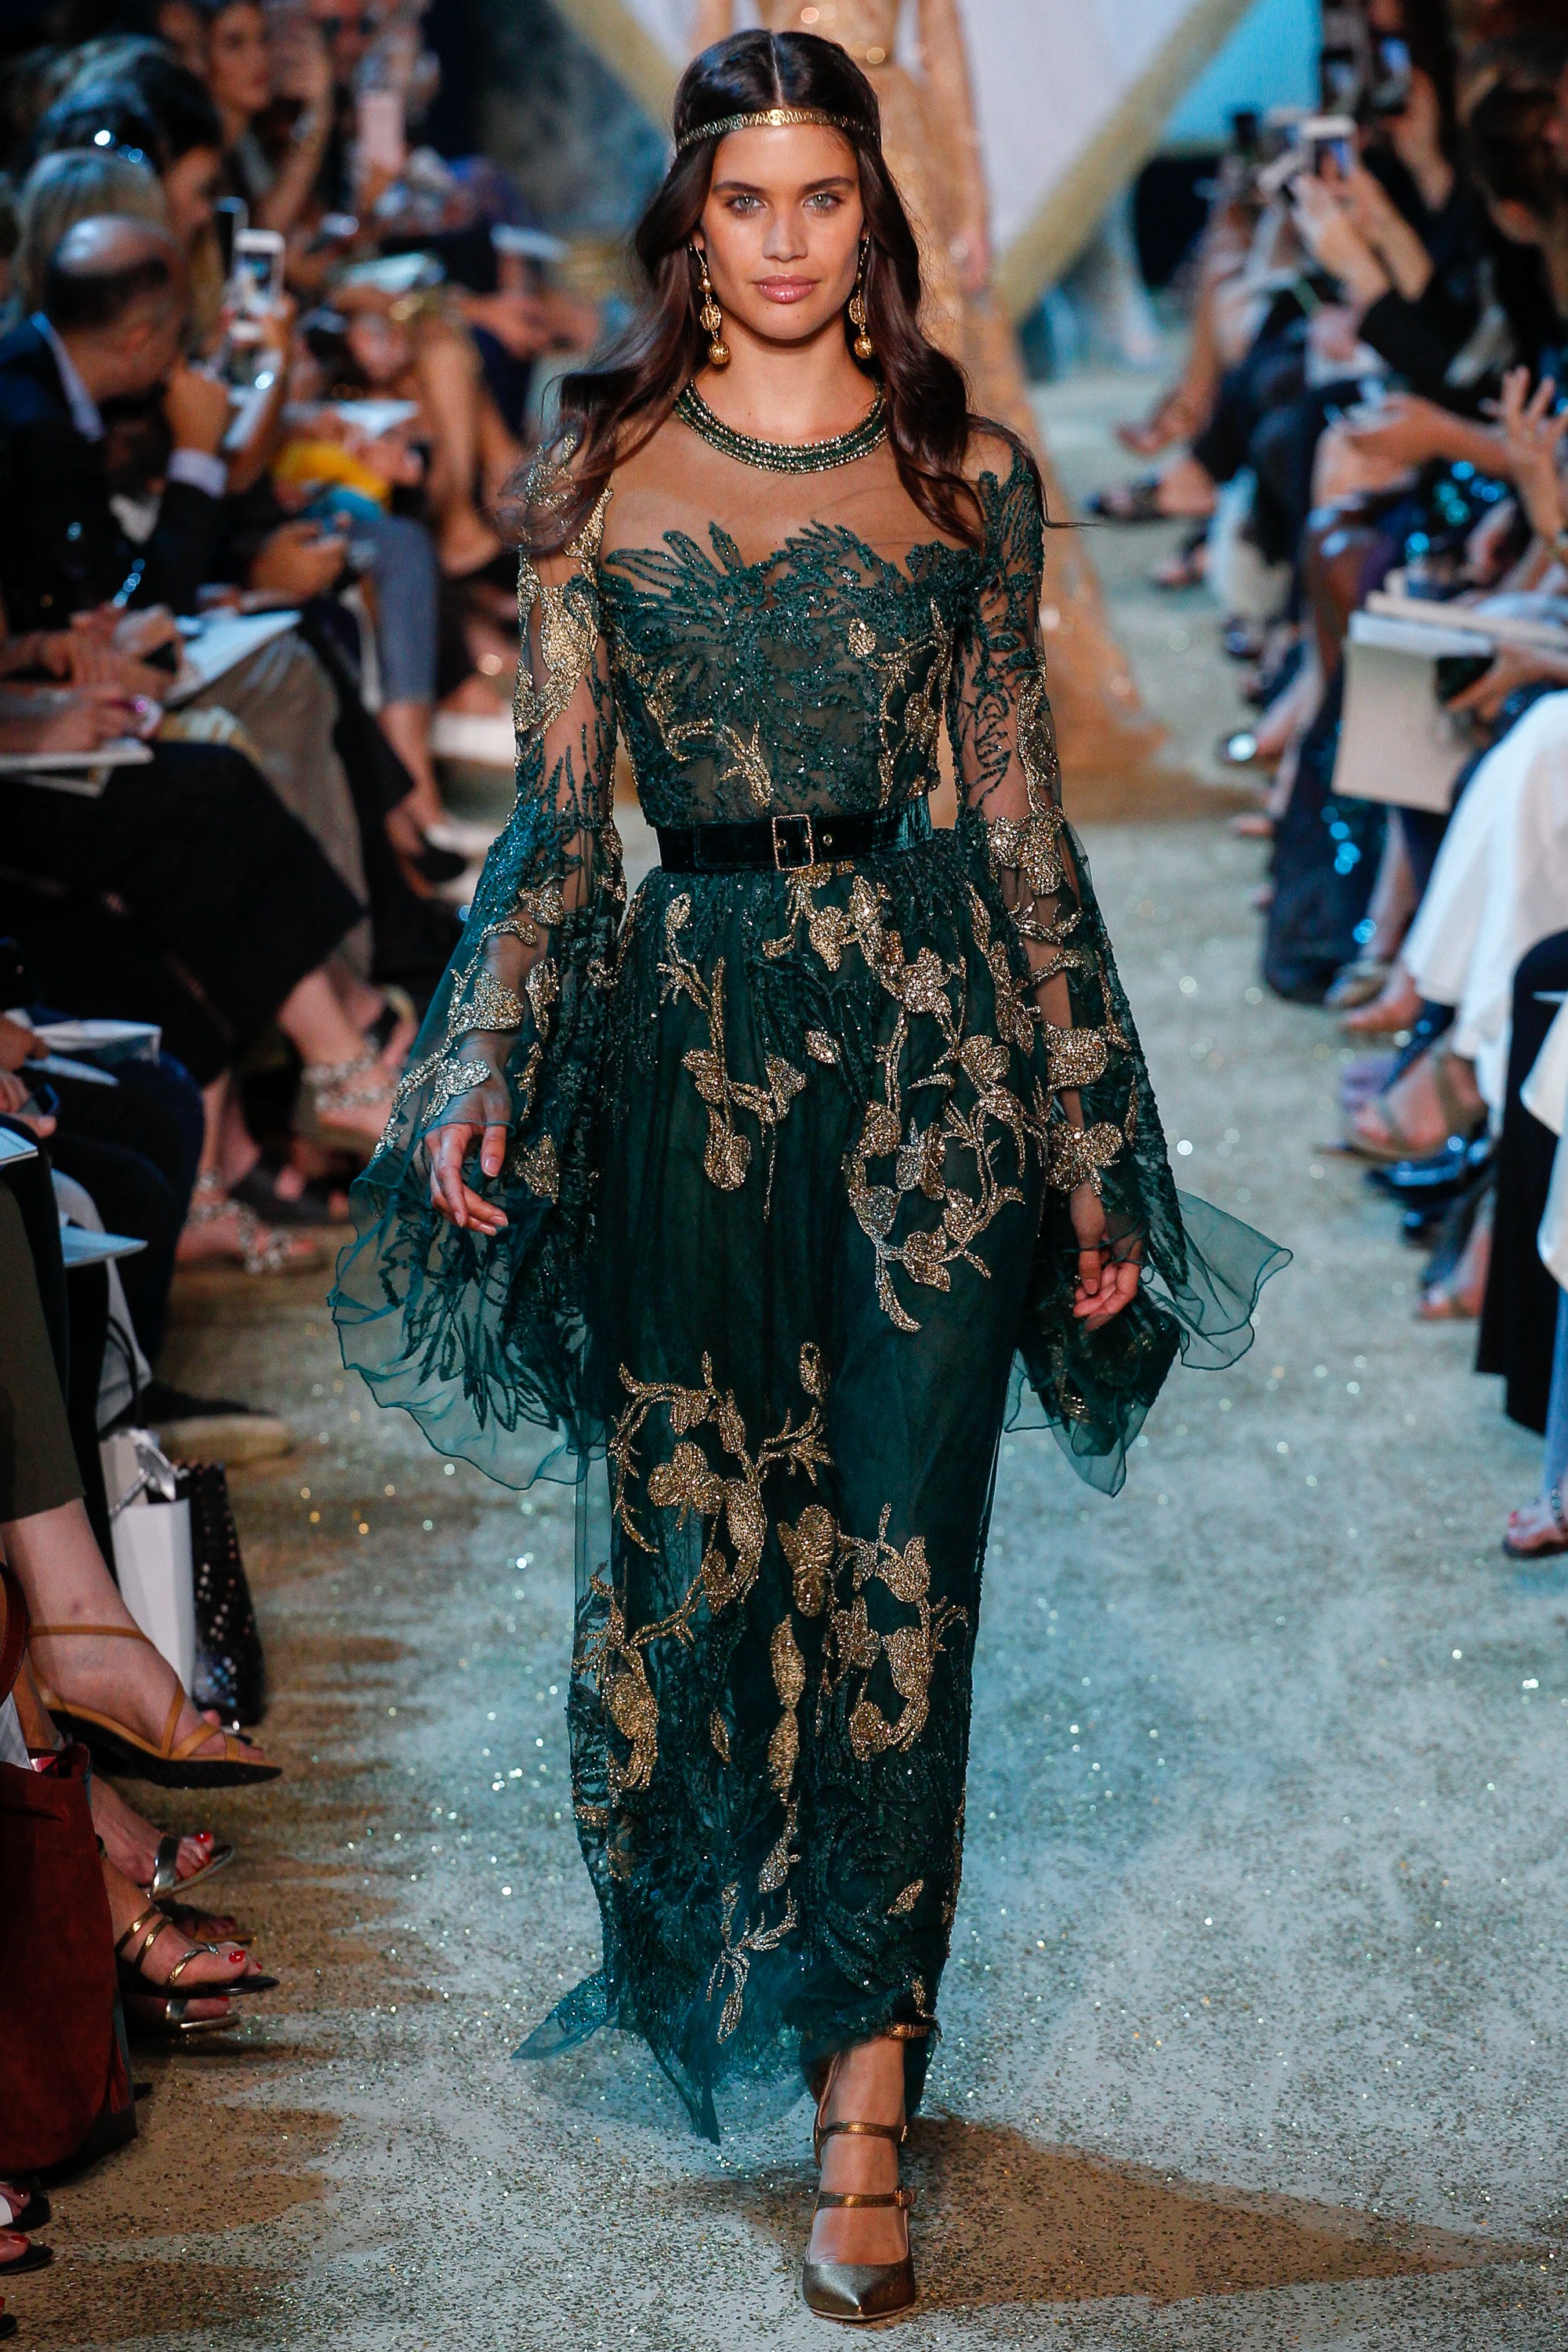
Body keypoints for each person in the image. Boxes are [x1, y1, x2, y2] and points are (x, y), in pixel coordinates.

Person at [333, 30, 1283, 2322]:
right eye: (743, 199)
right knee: (699, 1564)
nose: (781, 239)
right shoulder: (592, 474)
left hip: (935, 1066)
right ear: (691, 223)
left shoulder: (964, 478)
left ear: (873, 216)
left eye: (820, 197)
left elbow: (1021, 826)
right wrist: (486, 1054)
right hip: (689, 1058)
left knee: (899, 1568)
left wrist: (1091, 1140)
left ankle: (869, 2096)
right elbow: (562, 827)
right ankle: (758, 1949)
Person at [689, 0, 1171, 793]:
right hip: (777, 133)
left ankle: (946, 681)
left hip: (895, 149)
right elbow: (711, 34)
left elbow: (943, 48)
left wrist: (968, 201)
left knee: (927, 402)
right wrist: (699, 171)